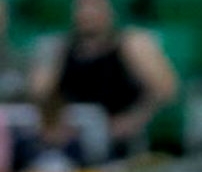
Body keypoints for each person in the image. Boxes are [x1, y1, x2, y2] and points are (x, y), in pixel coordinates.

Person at [28, 0, 178, 157]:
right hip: (70, 135)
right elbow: (39, 94)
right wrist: (52, 123)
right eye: (82, 7)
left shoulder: (132, 44)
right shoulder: (59, 47)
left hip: (117, 139)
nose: (88, 13)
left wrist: (133, 120)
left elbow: (166, 91)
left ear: (111, 11)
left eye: (95, 7)